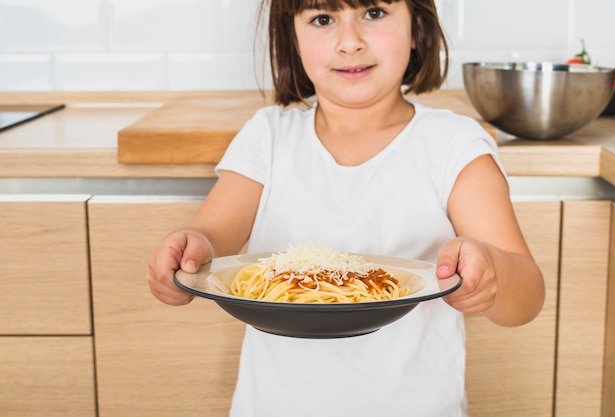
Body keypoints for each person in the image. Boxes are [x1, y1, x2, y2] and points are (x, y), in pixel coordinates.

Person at [147, 0, 545, 415]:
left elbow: (527, 298)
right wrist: (187, 248)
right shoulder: (268, 137)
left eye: (373, 13)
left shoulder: (453, 146)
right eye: (323, 19)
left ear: (417, 28)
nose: (350, 42)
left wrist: (491, 271)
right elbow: (210, 237)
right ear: (293, 40)